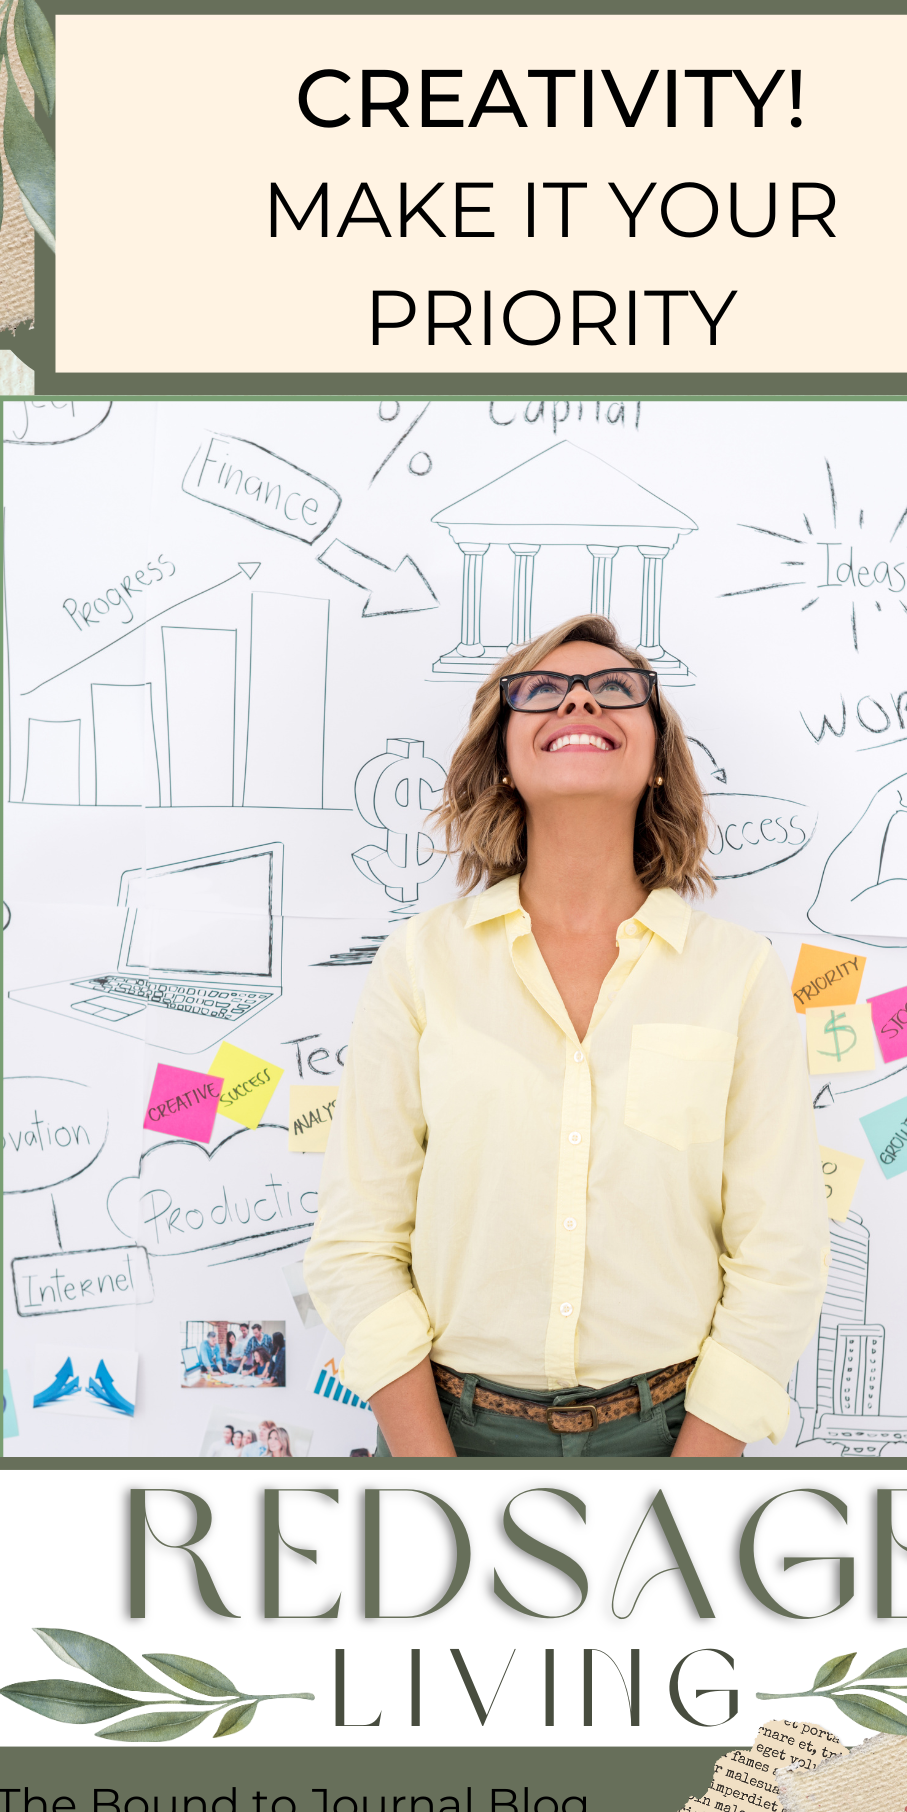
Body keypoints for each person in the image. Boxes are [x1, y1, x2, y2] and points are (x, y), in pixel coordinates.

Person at [304, 615, 829, 1460]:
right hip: (445, 1431)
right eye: (540, 691)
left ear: (657, 755)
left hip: (671, 1434)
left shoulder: (737, 974)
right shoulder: (421, 962)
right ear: (504, 759)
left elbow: (781, 1253)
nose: (580, 699)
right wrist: (432, 1473)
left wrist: (693, 1477)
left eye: (616, 689)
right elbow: (355, 1241)